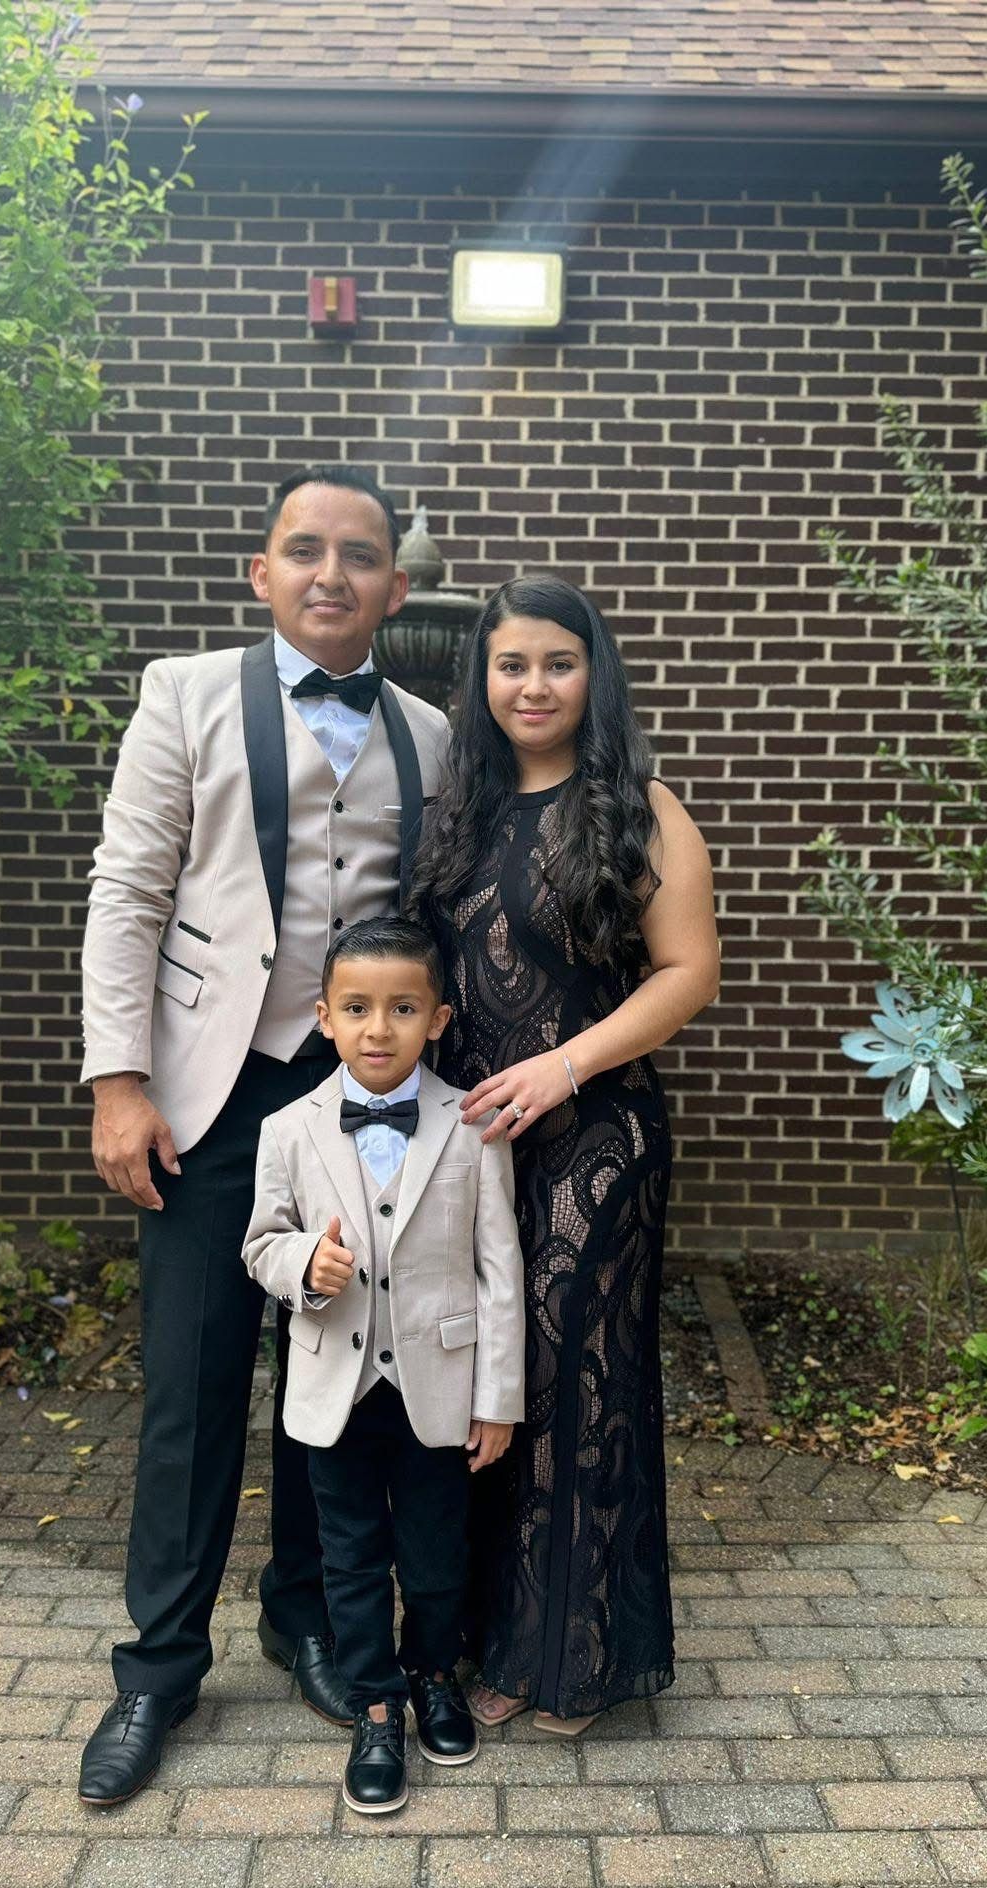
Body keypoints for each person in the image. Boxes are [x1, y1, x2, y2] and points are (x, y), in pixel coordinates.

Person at [77, 465, 449, 1806]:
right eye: (306, 549)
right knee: (190, 1385)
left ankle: (304, 1620)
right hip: (207, 1092)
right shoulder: (183, 694)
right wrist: (120, 1080)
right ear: (264, 572)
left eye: (359, 556)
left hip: (355, 1100)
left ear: (394, 591)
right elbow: (129, 890)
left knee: (332, 1375)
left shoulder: (431, 729)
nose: (331, 573)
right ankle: (158, 1670)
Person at [408, 576, 720, 1735]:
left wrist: (563, 1066)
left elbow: (689, 972)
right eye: (510, 665)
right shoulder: (458, 809)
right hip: (477, 1147)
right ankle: (492, 1630)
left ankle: (570, 1658)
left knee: (568, 1384)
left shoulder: (638, 807)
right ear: (481, 682)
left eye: (556, 662)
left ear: (594, 676)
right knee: (485, 1382)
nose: (532, 685)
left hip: (596, 1137)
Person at [242, 916, 524, 1814]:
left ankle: (435, 1672)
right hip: (337, 1389)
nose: (378, 1028)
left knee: (437, 1553)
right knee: (351, 1560)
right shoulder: (289, 1128)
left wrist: (500, 1399)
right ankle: (374, 1704)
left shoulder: (473, 1126)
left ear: (437, 1019)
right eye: (357, 1008)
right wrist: (304, 1271)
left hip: (437, 1390)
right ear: (324, 1017)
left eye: (402, 1008)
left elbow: (499, 1273)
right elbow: (260, 1246)